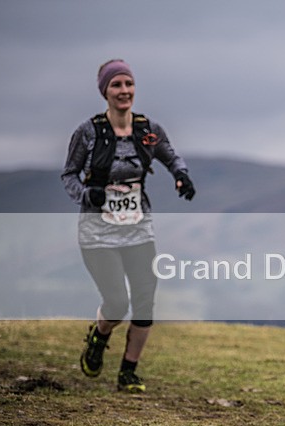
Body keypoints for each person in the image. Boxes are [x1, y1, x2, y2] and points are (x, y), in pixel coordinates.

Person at [61, 59, 195, 393]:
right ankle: (100, 335)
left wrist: (181, 176)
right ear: (105, 91)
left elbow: (170, 155)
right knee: (118, 303)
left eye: (129, 84)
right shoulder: (88, 132)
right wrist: (86, 194)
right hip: (98, 231)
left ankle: (128, 372)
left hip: (138, 227)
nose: (124, 91)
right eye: (116, 85)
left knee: (146, 299)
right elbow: (69, 174)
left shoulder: (147, 129)